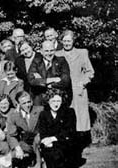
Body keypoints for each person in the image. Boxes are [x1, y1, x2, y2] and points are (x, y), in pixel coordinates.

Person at [56, 30, 94, 166]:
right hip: (63, 93)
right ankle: (66, 152)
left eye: (69, 41)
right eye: (64, 41)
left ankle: (77, 152)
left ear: (73, 41)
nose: (67, 43)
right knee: (65, 121)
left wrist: (82, 82)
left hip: (78, 92)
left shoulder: (82, 53)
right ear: (61, 41)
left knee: (78, 122)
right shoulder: (57, 54)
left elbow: (90, 71)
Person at [38, 89, 76, 168]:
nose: (55, 104)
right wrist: (46, 141)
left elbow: (69, 131)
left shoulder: (69, 112)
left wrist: (52, 139)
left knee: (58, 153)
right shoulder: (43, 114)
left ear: (62, 101)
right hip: (48, 144)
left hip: (64, 143)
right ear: (48, 101)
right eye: (53, 101)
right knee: (49, 153)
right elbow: (42, 132)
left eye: (58, 101)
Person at [28, 41, 71, 105]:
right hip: (40, 99)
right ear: (41, 51)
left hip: (57, 99)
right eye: (46, 51)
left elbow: (66, 81)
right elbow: (31, 80)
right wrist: (52, 79)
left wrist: (47, 84)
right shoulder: (36, 62)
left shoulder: (61, 61)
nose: (49, 53)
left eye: (51, 50)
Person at [7, 91, 44, 168]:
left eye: (29, 102)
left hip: (39, 142)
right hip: (25, 144)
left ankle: (38, 162)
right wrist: (17, 148)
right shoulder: (14, 116)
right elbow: (11, 135)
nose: (27, 105)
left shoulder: (40, 110)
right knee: (16, 156)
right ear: (18, 104)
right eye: (24, 103)